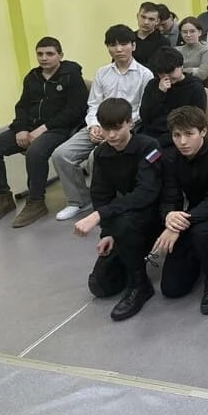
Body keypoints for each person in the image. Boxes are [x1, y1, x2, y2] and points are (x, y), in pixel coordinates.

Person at [72, 98, 162, 321]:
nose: (111, 135)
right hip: (127, 214)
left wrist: (100, 216)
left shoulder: (150, 147)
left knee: (123, 223)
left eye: (117, 128)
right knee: (101, 285)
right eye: (106, 129)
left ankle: (140, 285)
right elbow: (101, 195)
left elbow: (146, 193)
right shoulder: (102, 154)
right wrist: (107, 233)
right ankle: (129, 258)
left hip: (156, 215)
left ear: (130, 123)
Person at [52, 25, 153, 221]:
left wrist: (116, 129)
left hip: (124, 128)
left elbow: (142, 110)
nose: (118, 49)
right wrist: (94, 126)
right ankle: (79, 201)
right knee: (61, 154)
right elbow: (93, 104)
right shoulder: (102, 73)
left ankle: (106, 202)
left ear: (133, 46)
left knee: (95, 157)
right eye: (113, 45)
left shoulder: (145, 75)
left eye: (123, 44)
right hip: (98, 125)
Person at [0, 37, 88, 227]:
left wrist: (44, 128)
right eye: (40, 54)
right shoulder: (32, 77)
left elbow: (76, 110)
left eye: (50, 54)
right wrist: (21, 128)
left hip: (58, 128)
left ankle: (36, 201)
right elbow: (22, 106)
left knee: (35, 152)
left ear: (60, 55)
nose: (44, 58)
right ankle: (3, 197)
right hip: (29, 127)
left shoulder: (71, 76)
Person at [153, 106, 208, 315]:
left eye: (189, 134)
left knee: (202, 233)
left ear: (203, 131)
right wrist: (170, 216)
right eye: (177, 135)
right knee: (172, 289)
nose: (182, 142)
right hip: (193, 214)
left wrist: (178, 225)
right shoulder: (171, 159)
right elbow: (170, 197)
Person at [139, 47, 206, 145]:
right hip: (151, 133)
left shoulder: (194, 87)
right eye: (162, 74)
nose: (167, 77)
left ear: (181, 66)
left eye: (171, 72)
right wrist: (160, 93)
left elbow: (196, 120)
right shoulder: (153, 85)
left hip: (179, 135)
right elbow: (145, 116)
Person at [133, 2, 168, 67]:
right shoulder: (128, 39)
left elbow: (161, 67)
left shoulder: (163, 42)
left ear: (157, 21)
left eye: (151, 19)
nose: (146, 22)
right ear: (137, 16)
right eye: (143, 17)